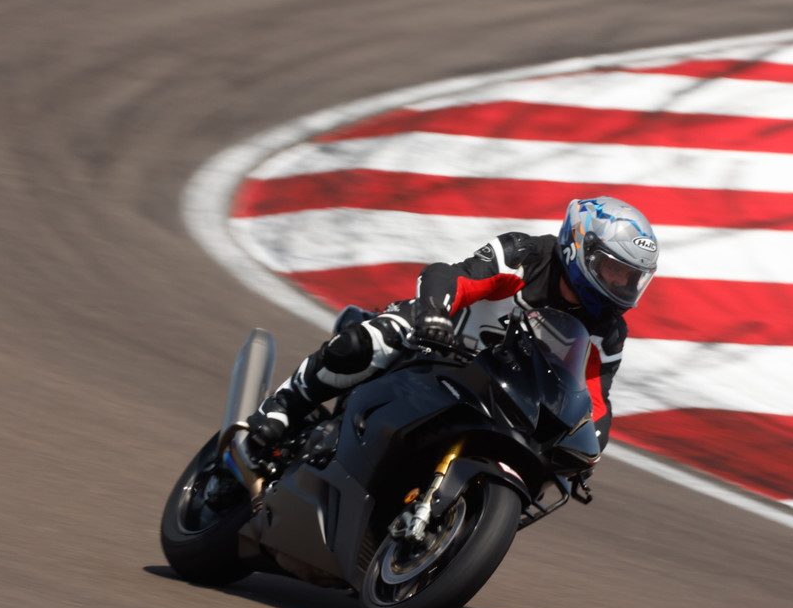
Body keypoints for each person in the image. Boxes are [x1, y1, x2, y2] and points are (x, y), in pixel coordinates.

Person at [246, 195, 660, 455]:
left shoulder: (608, 331)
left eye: (630, 278)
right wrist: (433, 315)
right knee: (368, 341)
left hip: (503, 394)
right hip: (436, 345)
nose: (620, 285)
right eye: (612, 270)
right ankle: (285, 404)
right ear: (577, 247)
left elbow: (595, 399)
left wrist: (590, 446)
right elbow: (453, 276)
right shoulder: (525, 255)